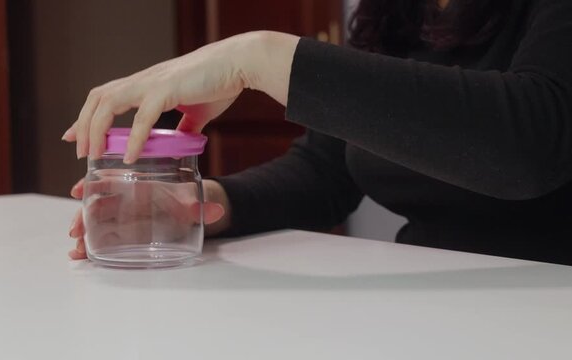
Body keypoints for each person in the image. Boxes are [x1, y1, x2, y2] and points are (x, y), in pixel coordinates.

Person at [63, 0, 572, 265]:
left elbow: (532, 141)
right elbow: (327, 170)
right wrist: (192, 207)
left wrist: (257, 57)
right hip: (429, 306)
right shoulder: (400, 14)